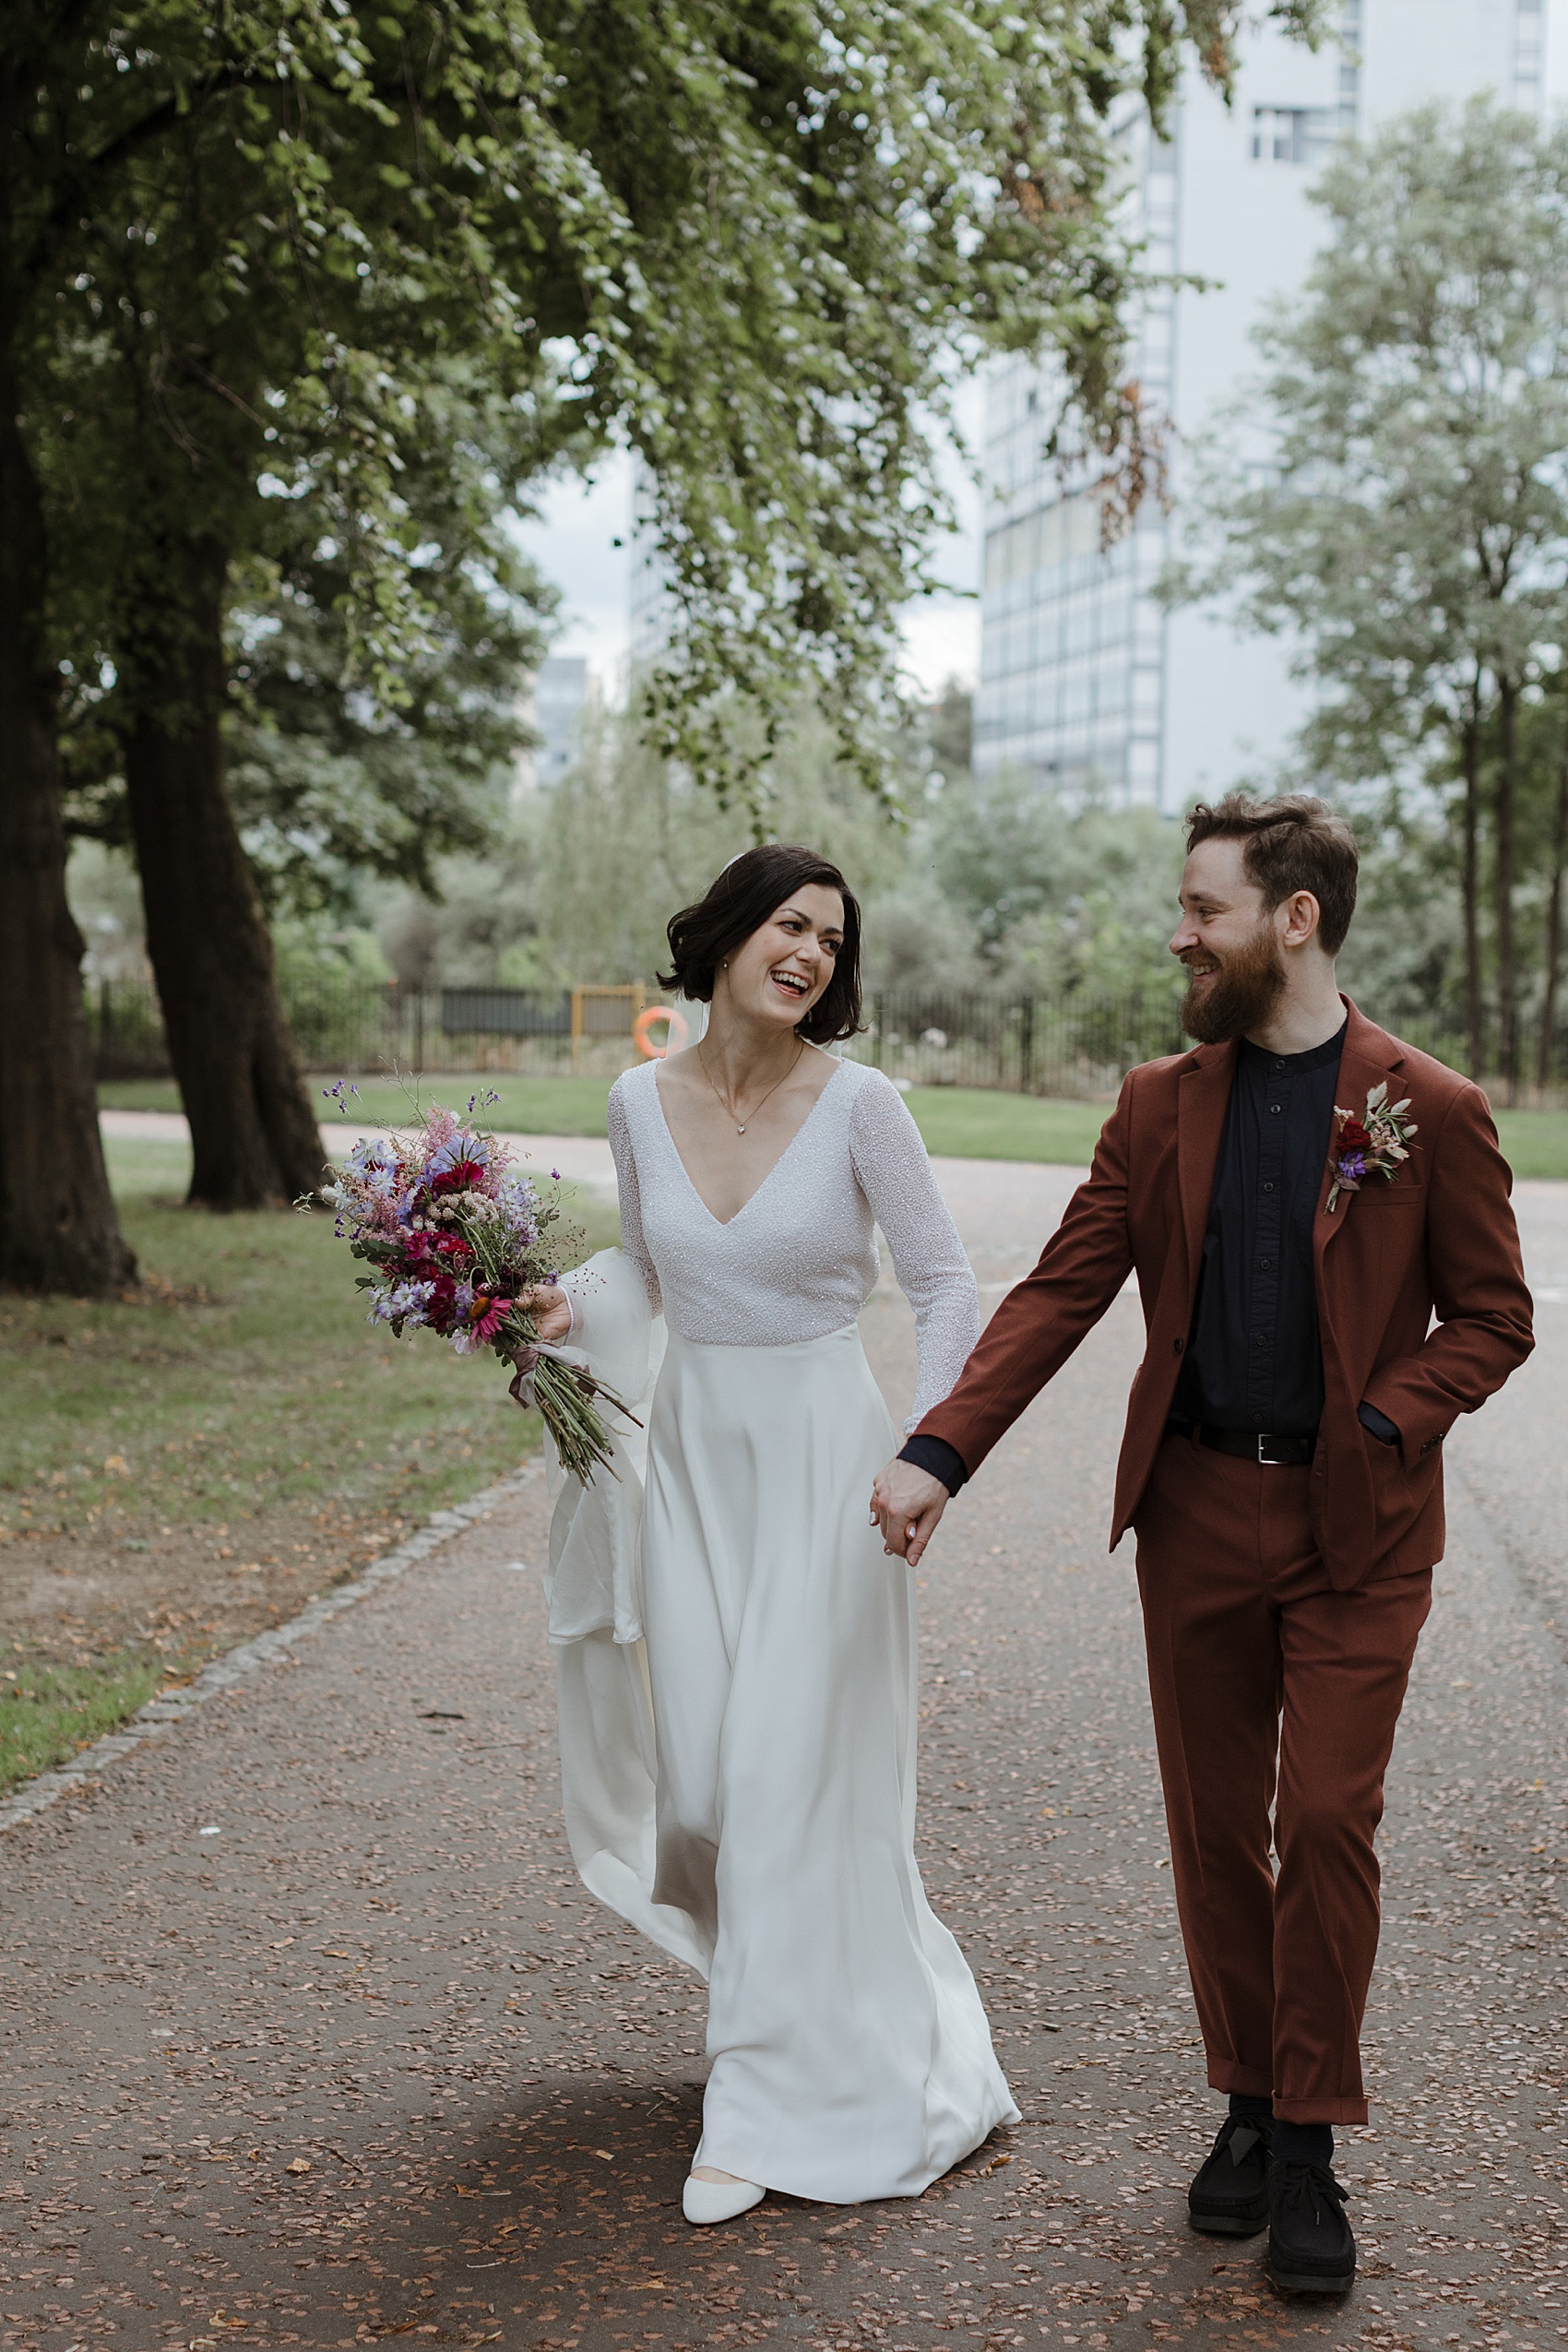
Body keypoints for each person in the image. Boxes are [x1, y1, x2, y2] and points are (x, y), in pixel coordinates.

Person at [871, 793, 1533, 2298]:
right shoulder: (1159, 1100)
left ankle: (1312, 2148)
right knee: (1215, 1827)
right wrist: (937, 1451)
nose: (1182, 932)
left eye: (1205, 908)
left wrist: (1378, 1426)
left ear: (1292, 918)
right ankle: (1248, 2104)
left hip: (1357, 1523)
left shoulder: (1423, 1102)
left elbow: (1496, 1317)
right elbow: (1058, 1290)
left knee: (1331, 1823)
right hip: (1195, 1514)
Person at [522, 843, 1017, 2226]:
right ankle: (809, 1999)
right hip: (691, 1466)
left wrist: (929, 1451)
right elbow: (646, 1268)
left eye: (831, 940)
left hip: (828, 1470)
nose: (809, 952)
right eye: (789, 924)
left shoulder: (863, 1107)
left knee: (788, 1780)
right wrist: (563, 1305)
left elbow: (943, 1285)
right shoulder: (636, 1097)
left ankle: (755, 2099)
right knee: (703, 1796)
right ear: (730, 932)